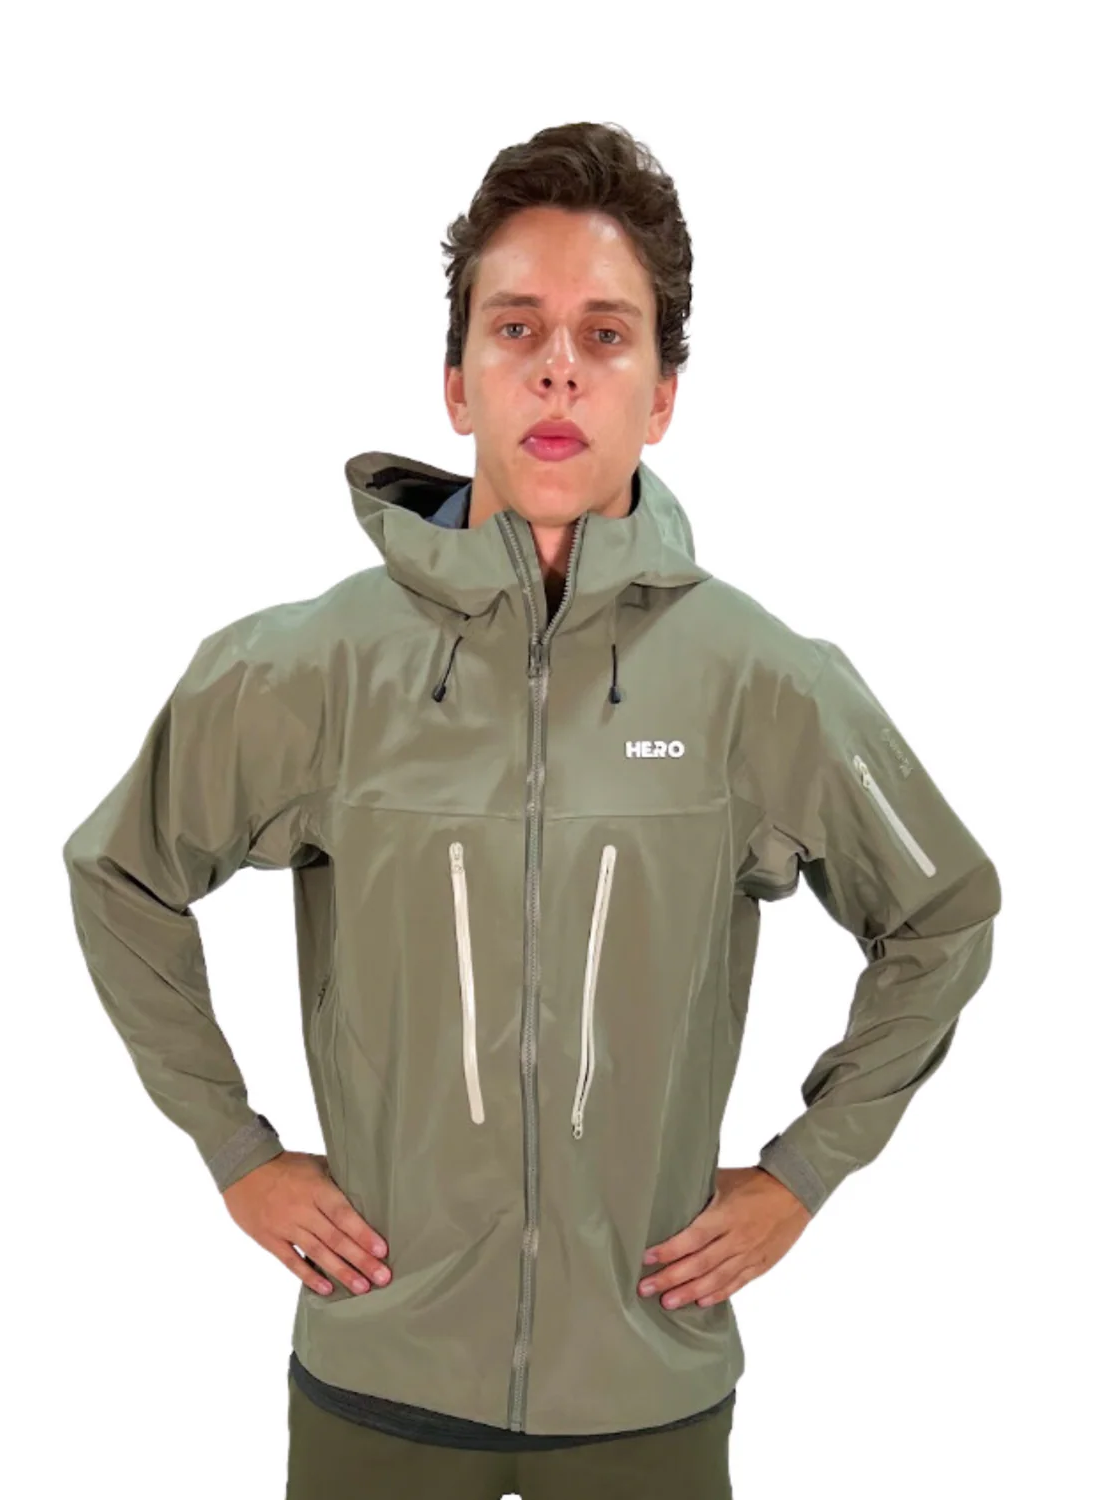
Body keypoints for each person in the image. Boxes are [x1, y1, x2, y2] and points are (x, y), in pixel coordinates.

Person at [61, 122, 1002, 1500]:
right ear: (458, 383)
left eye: (606, 335)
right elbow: (120, 875)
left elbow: (944, 915)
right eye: (517, 328)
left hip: (647, 1385)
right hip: (380, 1376)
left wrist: (805, 1170)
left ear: (662, 397)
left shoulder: (762, 681)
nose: (559, 367)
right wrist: (236, 1152)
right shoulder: (305, 668)